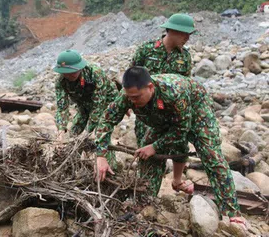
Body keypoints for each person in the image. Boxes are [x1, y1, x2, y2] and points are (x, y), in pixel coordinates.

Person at [94, 67, 245, 226]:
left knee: (211, 155)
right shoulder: (128, 95)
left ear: (150, 87)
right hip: (163, 115)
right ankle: (147, 199)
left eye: (136, 97)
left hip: (196, 109)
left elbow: (181, 131)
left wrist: (155, 146)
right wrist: (101, 155)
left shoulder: (174, 92)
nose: (132, 102)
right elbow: (106, 121)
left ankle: (231, 212)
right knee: (147, 156)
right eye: (129, 97)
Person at [131, 13, 195, 187]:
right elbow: (132, 77)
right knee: (147, 147)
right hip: (146, 111)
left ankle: (177, 180)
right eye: (184, 34)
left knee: (180, 142)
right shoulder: (146, 50)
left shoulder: (185, 57)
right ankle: (146, 188)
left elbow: (186, 87)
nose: (188, 38)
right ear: (172, 31)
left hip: (171, 111)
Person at [53, 49, 118, 141]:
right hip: (84, 105)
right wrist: (60, 130)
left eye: (72, 72)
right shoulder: (60, 81)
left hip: (107, 103)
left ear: (80, 68)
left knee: (99, 136)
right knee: (73, 134)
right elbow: (62, 108)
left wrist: (87, 132)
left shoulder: (95, 74)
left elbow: (98, 106)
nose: (69, 75)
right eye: (65, 73)